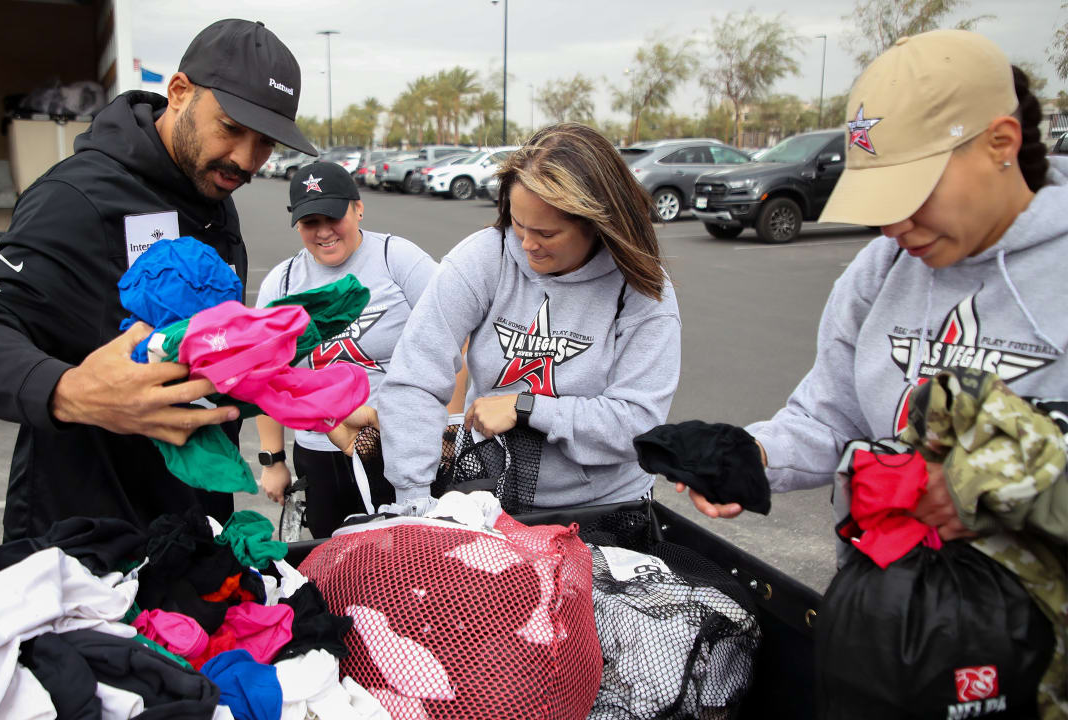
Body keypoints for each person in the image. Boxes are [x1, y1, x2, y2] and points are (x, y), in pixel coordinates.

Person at [0, 19, 318, 541]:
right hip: (86, 535)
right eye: (230, 128)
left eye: (265, 143)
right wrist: (67, 390)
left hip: (193, 524)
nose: (246, 160)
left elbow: (205, 346)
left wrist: (306, 401)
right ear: (179, 93)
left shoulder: (212, 199)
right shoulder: (78, 195)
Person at [678, 31, 1067, 541]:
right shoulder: (883, 267)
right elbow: (831, 417)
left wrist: (1000, 483)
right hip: (888, 598)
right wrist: (753, 454)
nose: (892, 226)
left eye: (913, 193)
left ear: (1001, 143)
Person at [376, 122, 682, 507]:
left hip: (603, 505)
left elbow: (639, 423)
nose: (526, 244)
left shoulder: (641, 289)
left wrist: (526, 408)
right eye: (518, 225)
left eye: (546, 234)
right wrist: (413, 497)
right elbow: (415, 377)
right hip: (491, 491)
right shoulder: (487, 256)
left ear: (599, 224)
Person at [253, 160, 451, 538]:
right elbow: (266, 377)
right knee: (334, 560)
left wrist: (448, 429)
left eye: (333, 216)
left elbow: (451, 340)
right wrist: (273, 460)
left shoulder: (398, 258)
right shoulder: (283, 282)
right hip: (318, 452)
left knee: (409, 554)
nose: (324, 232)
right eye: (311, 222)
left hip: (397, 445)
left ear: (358, 208)